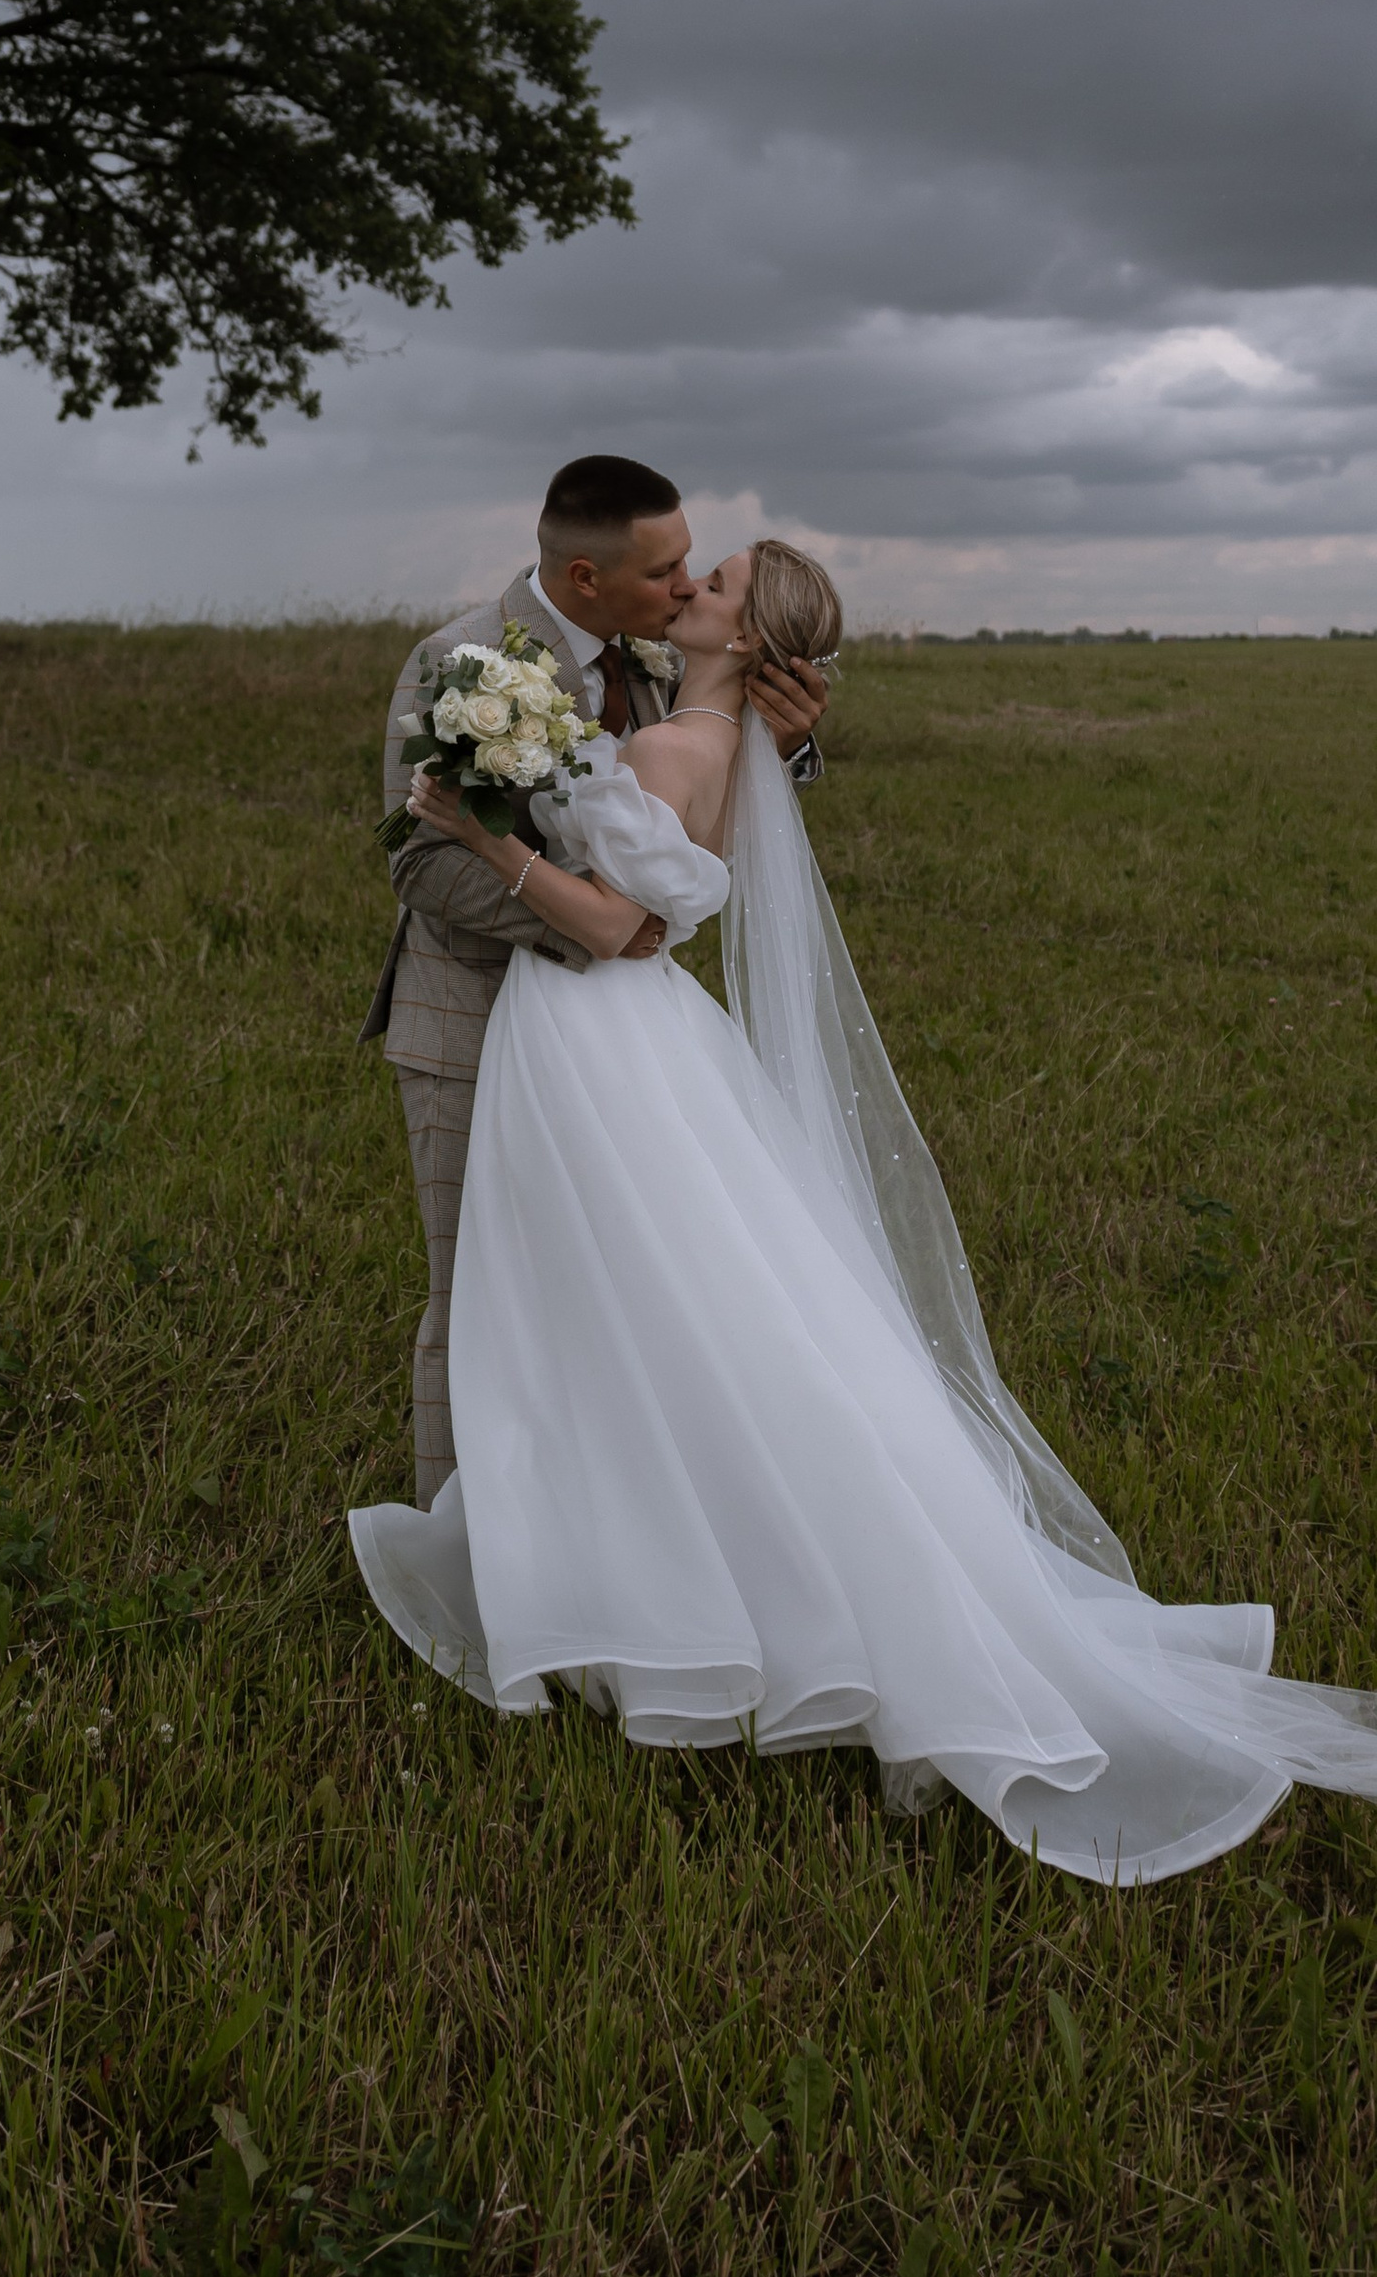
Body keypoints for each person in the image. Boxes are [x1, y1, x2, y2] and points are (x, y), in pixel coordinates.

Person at [349, 539, 1377, 1881]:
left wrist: (479, 827)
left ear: (740, 637)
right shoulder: (704, 728)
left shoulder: (672, 744)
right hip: (631, 1044)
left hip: (595, 1033)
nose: (688, 590)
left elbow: (616, 927)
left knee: (604, 1304)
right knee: (659, 1304)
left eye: (710, 588)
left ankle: (631, 1587)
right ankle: (609, 1559)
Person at [362, 455, 828, 1507]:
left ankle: (608, 1526)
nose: (682, 587)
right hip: (475, 1022)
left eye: (693, 571)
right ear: (583, 578)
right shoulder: (459, 666)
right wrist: (603, 936)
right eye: (665, 571)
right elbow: (422, 862)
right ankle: (472, 1542)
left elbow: (695, 795)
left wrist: (789, 754)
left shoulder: (661, 664)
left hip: (622, 1042)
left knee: (625, 1290)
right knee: (478, 1293)